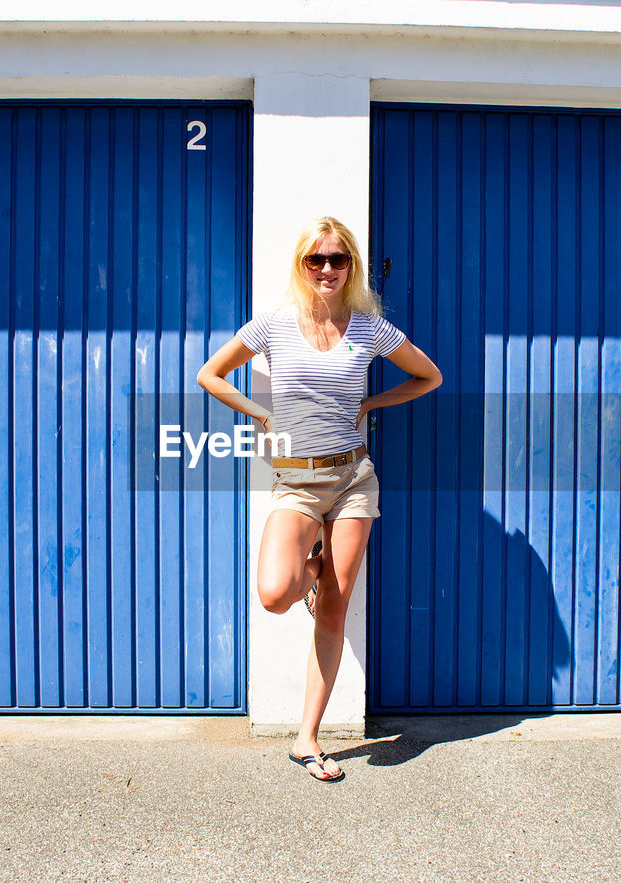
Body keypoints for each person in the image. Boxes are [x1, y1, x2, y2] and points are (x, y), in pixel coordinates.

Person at [196, 217, 442, 783]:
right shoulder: (274, 327)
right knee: (276, 593)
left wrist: (371, 404)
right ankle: (314, 568)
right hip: (297, 482)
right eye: (316, 260)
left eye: (337, 260)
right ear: (302, 266)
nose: (327, 269)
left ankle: (308, 738)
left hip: (354, 479)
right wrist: (263, 414)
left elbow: (428, 377)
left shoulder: (371, 330)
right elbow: (212, 373)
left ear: (351, 266)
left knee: (335, 605)